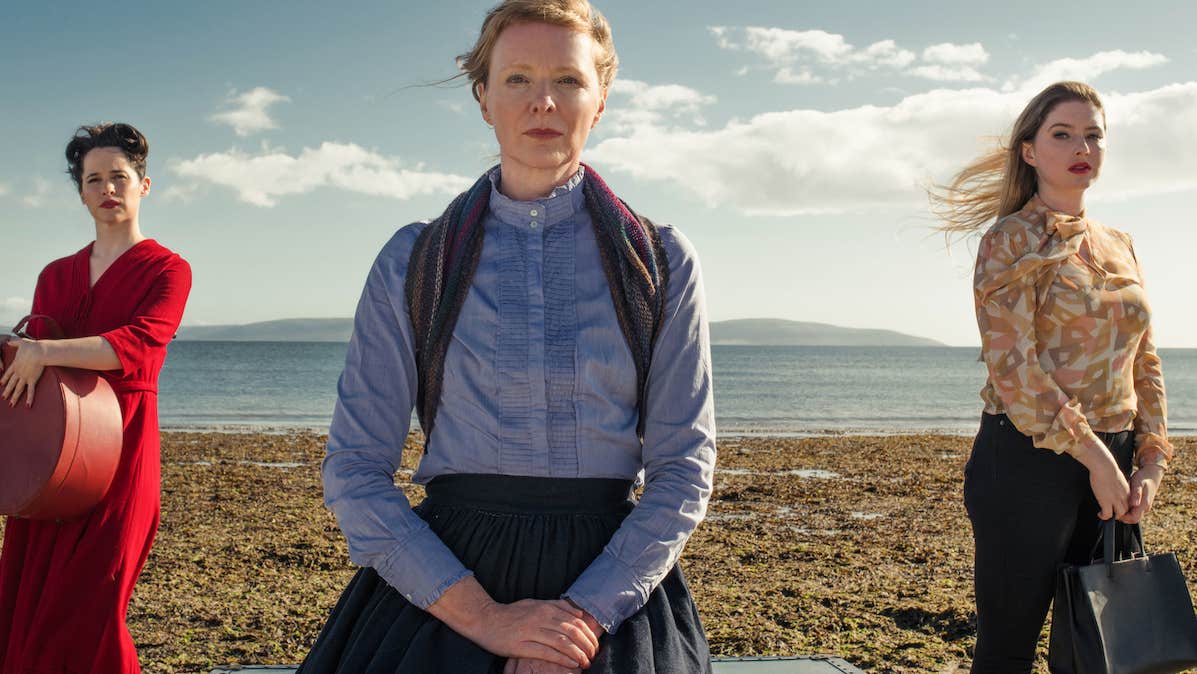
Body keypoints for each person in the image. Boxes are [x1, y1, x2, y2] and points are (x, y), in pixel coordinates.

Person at [297, 1, 716, 672]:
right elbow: (354, 471)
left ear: (600, 100)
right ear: (483, 98)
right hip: (446, 587)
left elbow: (681, 472)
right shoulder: (414, 260)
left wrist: (577, 622)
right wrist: (485, 620)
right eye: (517, 78)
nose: (542, 101)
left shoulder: (660, 260)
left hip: (612, 591)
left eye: (569, 80)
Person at [931, 81, 1171, 672]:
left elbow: (1144, 359)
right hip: (1026, 461)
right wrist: (1096, 459)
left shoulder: (1121, 244)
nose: (1080, 146)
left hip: (1115, 459)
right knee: (1008, 646)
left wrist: (1151, 460)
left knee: (1096, 653)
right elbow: (1016, 370)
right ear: (1030, 151)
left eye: (1093, 134)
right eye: (1061, 134)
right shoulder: (1008, 240)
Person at [0, 122, 192, 673]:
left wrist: (45, 351)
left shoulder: (168, 269)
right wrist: (30, 354)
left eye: (119, 177)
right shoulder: (54, 275)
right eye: (94, 180)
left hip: (123, 452)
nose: (108, 189)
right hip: (50, 458)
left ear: (144, 185)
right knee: (30, 608)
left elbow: (140, 344)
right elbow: (26, 366)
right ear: (81, 192)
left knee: (93, 609)